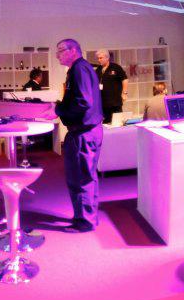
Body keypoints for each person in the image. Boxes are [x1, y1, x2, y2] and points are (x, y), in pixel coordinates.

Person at [54, 38, 103, 233]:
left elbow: (83, 102)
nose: (57, 55)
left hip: (83, 133)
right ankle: (89, 216)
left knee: (81, 177)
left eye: (60, 50)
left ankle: (85, 221)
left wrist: (59, 110)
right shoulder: (81, 68)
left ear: (73, 50)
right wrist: (60, 107)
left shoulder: (79, 69)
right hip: (88, 131)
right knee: (87, 176)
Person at [94, 49, 128, 124]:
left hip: (115, 104)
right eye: (98, 58)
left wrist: (124, 93)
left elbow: (125, 79)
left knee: (117, 124)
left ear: (107, 58)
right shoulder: (98, 70)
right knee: (105, 125)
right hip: (103, 104)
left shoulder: (116, 67)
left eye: (101, 58)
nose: (99, 60)